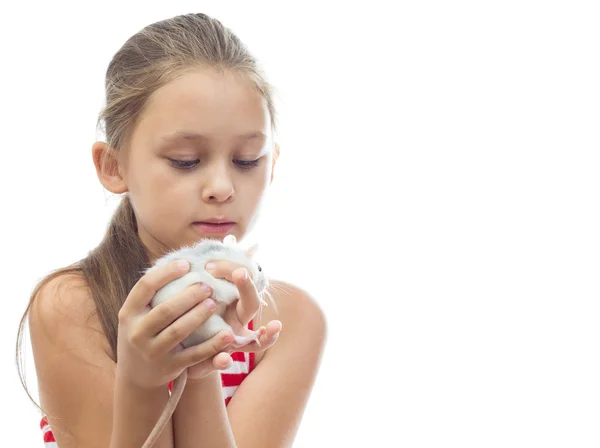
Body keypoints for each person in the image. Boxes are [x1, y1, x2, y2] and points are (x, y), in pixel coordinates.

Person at [15, 12, 327, 448]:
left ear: (272, 163)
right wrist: (142, 384)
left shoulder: (289, 320)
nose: (222, 187)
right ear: (113, 166)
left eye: (247, 160)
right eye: (185, 160)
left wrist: (198, 361)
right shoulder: (74, 306)